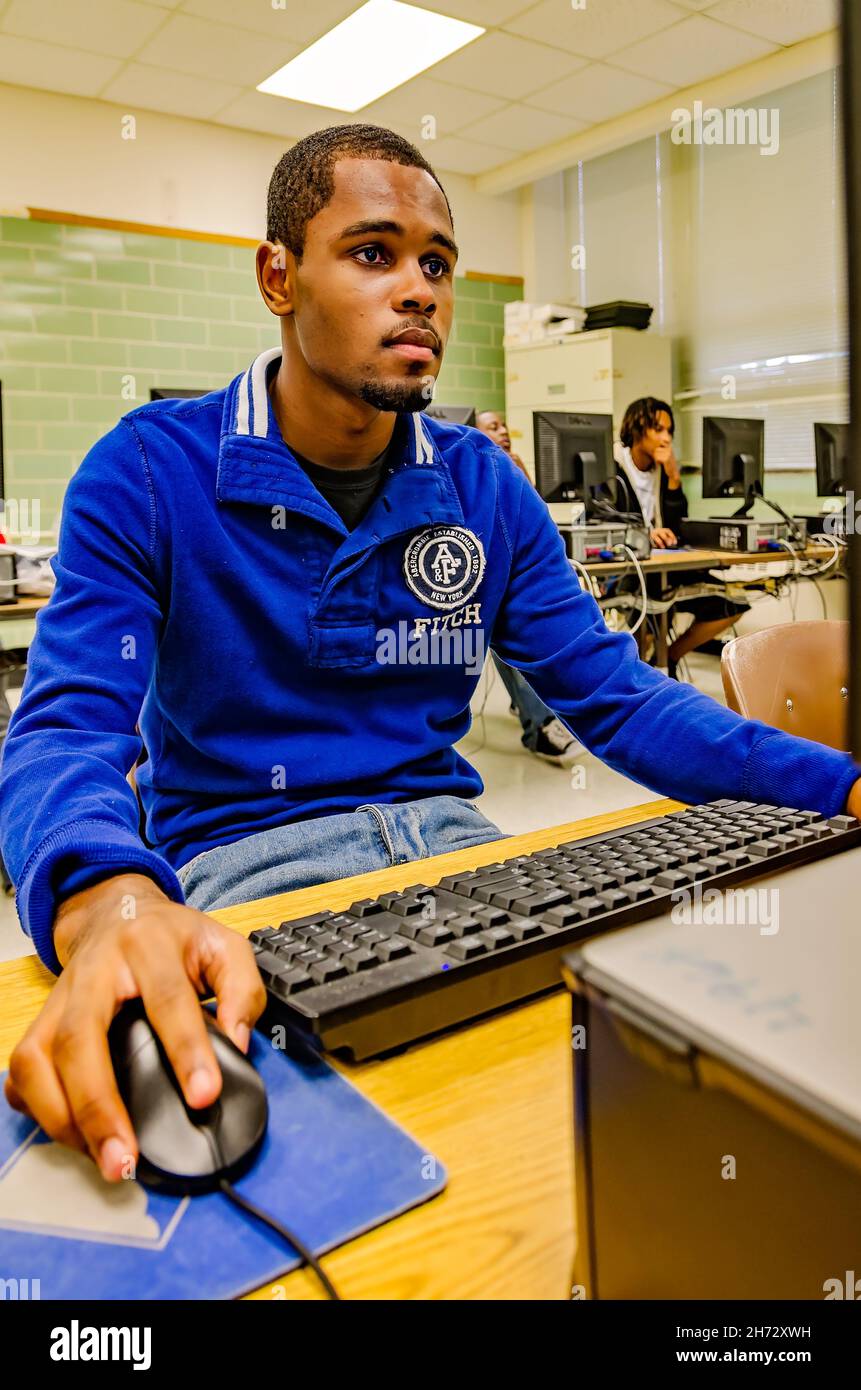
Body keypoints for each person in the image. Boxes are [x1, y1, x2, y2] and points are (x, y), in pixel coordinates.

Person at [2, 125, 859, 1183]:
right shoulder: (146, 472)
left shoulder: (480, 486)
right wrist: (111, 902)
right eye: (374, 253)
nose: (420, 291)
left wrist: (843, 787)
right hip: (245, 884)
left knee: (633, 1143)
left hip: (472, 863)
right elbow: (64, 733)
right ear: (279, 275)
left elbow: (620, 700)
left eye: (439, 264)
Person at [613, 398, 750, 677]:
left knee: (730, 606)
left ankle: (669, 658)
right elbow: (607, 519)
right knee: (647, 626)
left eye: (669, 431)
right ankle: (640, 677)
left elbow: (676, 527)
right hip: (629, 568)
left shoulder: (662, 470)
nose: (666, 438)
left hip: (665, 566)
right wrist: (644, 534)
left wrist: (674, 478)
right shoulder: (612, 465)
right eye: (658, 429)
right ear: (637, 429)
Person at [475, 409, 582, 763]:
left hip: (512, 576)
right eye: (493, 426)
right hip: (477, 580)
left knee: (523, 613)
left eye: (505, 424)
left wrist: (521, 480)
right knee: (505, 619)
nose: (504, 431)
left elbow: (534, 528)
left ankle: (548, 711)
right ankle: (540, 724)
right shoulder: (466, 474)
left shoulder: (511, 469)